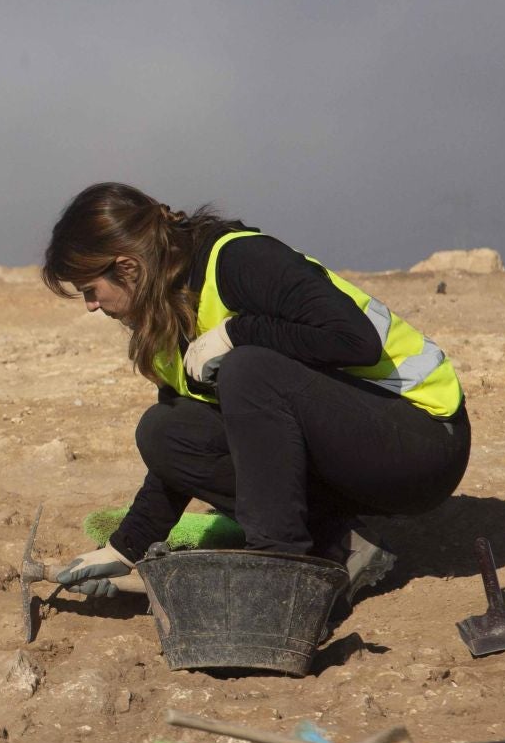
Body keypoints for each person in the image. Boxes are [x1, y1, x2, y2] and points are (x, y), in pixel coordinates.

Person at [40, 182, 469, 600]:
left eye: (90, 291)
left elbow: (356, 340)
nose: (91, 306)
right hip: (352, 456)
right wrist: (125, 548)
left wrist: (239, 331)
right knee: (165, 431)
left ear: (127, 267)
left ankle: (278, 574)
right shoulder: (166, 317)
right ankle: (340, 545)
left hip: (422, 442)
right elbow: (186, 449)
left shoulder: (238, 259)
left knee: (249, 368)